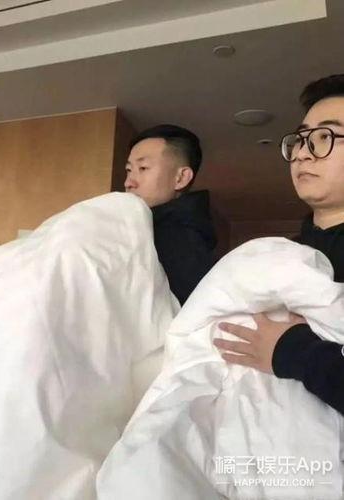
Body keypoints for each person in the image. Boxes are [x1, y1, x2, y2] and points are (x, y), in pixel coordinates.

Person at [214, 74, 344, 415]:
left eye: (325, 137)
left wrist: (295, 352)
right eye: (301, 140)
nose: (303, 154)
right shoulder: (279, 257)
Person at [125, 124, 217, 305]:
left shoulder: (179, 239)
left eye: (143, 168)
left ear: (181, 178)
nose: (129, 182)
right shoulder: (145, 228)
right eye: (129, 170)